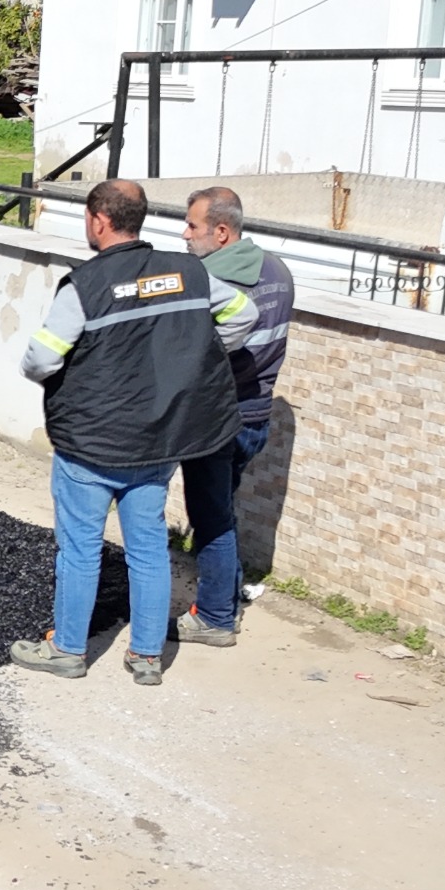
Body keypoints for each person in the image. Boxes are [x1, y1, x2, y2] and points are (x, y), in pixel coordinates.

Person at [11, 180, 255, 685]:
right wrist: (194, 360)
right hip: (157, 441)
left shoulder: (86, 286)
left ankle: (69, 650)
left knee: (80, 548)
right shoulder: (188, 271)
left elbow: (41, 359)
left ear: (98, 221)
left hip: (92, 444)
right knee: (147, 548)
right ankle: (146, 657)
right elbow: (241, 316)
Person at [172, 186, 295, 647]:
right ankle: (227, 592)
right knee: (222, 507)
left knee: (211, 519)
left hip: (219, 420)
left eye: (192, 226)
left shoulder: (207, 282)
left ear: (222, 232)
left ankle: (217, 618)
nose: (185, 236)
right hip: (258, 416)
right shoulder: (278, 270)